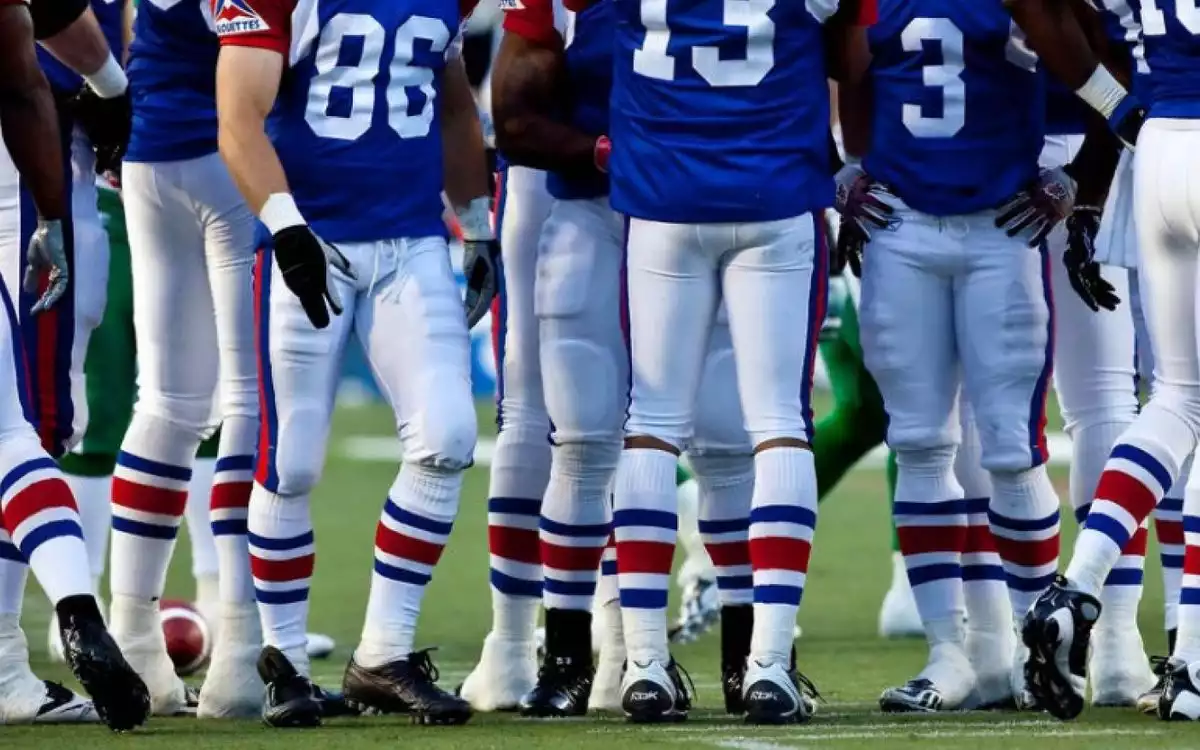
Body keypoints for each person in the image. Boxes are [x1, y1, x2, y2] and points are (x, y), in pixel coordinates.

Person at [214, 0, 494, 726]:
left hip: (412, 241)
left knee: (448, 437)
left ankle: (382, 654)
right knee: (293, 460)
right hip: (314, 241)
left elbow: (454, 101)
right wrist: (285, 226)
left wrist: (479, 223)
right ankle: (286, 664)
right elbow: (238, 115)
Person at [607, 0, 873, 724]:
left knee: (651, 425)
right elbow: (850, 49)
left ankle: (644, 665)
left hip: (662, 196)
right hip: (775, 192)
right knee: (780, 425)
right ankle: (768, 665)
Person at [837, 0, 1076, 711]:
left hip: (1002, 223)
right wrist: (850, 163)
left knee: (1009, 449)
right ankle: (950, 654)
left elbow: (1096, 63)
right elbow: (845, 65)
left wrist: (1073, 176)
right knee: (917, 441)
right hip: (902, 224)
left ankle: (1043, 652)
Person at [1018, 0, 1200, 723]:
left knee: (1177, 398)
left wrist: (1113, 107)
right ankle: (1190, 660)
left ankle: (1079, 585)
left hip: (1156, 148)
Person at [0, 0, 148, 730]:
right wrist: (53, 217)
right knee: (19, 430)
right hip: (23, 172)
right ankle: (31, 639)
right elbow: (26, 72)